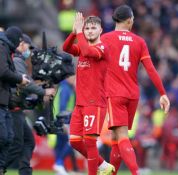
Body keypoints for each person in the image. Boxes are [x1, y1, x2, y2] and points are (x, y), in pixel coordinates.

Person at [100, 5, 170, 175]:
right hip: (132, 95)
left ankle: (136, 172)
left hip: (115, 94)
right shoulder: (139, 41)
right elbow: (151, 69)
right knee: (117, 139)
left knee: (121, 136)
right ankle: (113, 173)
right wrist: (162, 93)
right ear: (130, 20)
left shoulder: (105, 39)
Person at [62, 13, 114, 175]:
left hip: (95, 102)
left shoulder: (102, 48)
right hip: (80, 103)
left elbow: (86, 50)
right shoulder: (84, 46)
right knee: (75, 142)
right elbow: (66, 48)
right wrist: (73, 32)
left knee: (90, 142)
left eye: (93, 28)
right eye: (87, 28)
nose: (90, 31)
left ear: (101, 30)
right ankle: (103, 165)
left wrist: (79, 32)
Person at [4, 33, 55, 175]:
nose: (30, 51)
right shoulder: (17, 60)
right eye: (28, 46)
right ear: (21, 44)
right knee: (17, 145)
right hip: (13, 109)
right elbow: (23, 84)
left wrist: (32, 97)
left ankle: (25, 171)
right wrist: (42, 91)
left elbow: (21, 86)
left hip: (16, 108)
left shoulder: (16, 59)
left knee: (28, 142)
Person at [0, 26, 30, 175]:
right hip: (5, 104)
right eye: (19, 42)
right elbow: (3, 71)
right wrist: (20, 79)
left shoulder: (7, 49)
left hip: (5, 102)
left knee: (9, 138)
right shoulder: (2, 48)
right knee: (5, 137)